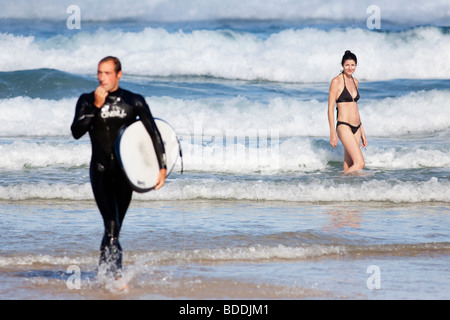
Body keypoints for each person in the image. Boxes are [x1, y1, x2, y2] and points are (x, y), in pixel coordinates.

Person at [71, 56, 167, 279]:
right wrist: (96, 106)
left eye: (107, 73)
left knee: (113, 229)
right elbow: (76, 131)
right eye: (99, 73)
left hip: (125, 175)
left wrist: (161, 168)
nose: (101, 77)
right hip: (101, 171)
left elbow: (154, 133)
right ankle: (116, 275)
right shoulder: (87, 100)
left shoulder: (134, 101)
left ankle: (102, 274)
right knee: (112, 226)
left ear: (119, 74)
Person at [328, 50, 367, 174]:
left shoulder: (355, 82)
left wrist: (362, 132)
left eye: (353, 65)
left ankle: (343, 189)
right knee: (360, 163)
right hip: (344, 126)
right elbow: (330, 108)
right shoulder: (336, 81)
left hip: (357, 127)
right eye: (347, 65)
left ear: (356, 65)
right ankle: (336, 181)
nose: (350, 68)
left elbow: (355, 108)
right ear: (342, 65)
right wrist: (332, 133)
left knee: (349, 164)